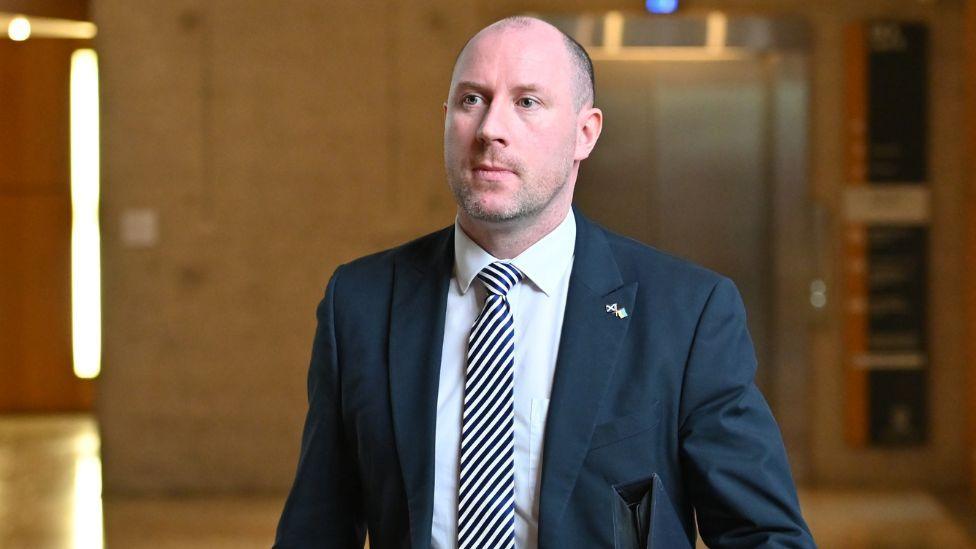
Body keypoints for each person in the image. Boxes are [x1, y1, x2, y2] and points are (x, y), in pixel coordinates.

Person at [274, 15, 815, 549]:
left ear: (586, 133)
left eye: (526, 102)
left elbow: (765, 536)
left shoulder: (688, 314)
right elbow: (315, 530)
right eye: (471, 100)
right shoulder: (361, 304)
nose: (490, 129)